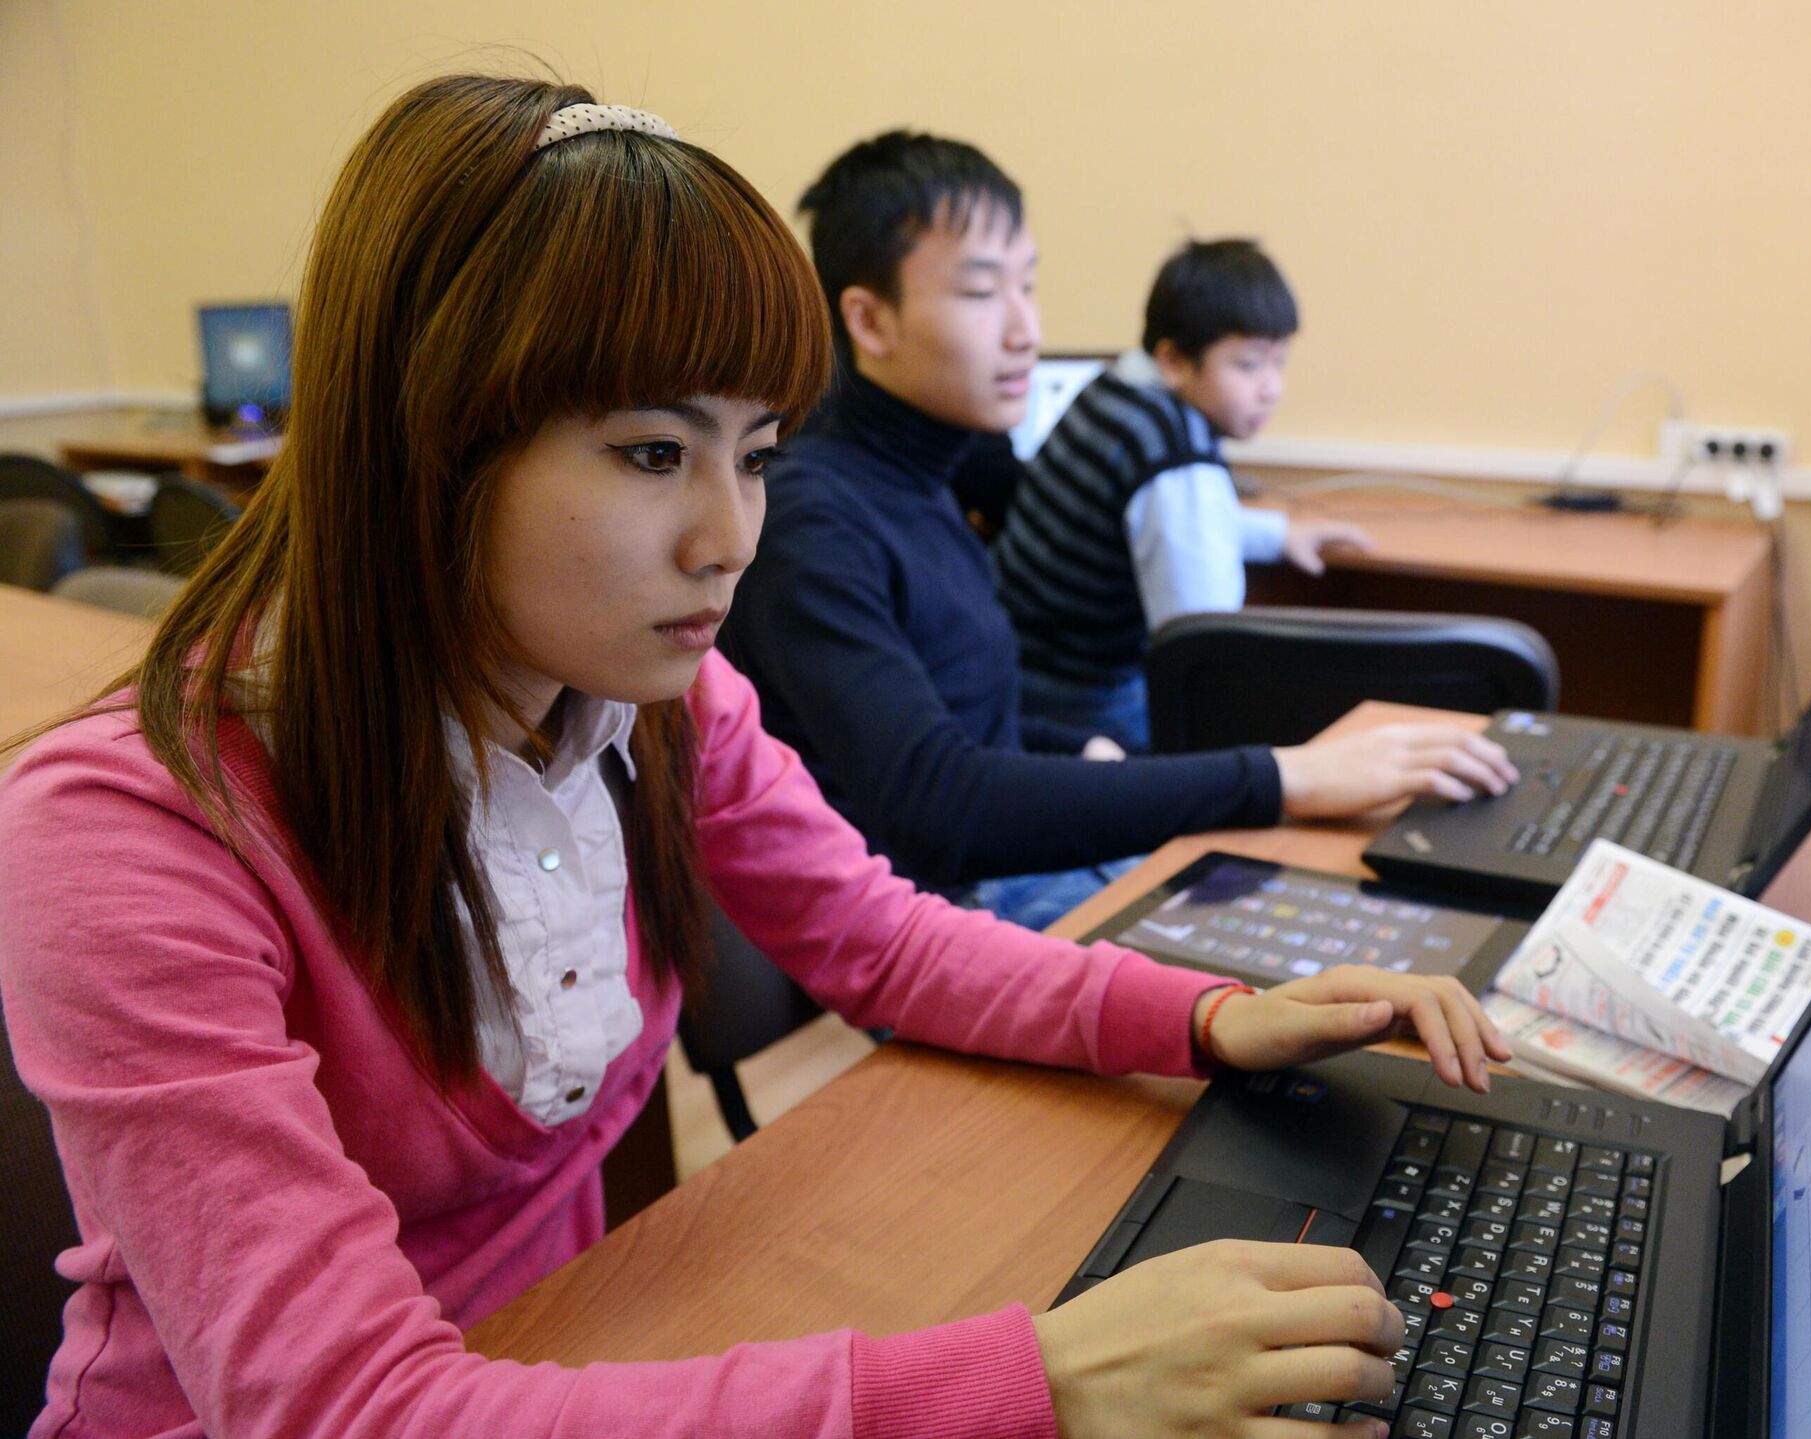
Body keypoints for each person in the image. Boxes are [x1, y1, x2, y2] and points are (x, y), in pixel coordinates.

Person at [0, 75, 1514, 1439]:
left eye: (760, 454)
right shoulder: (128, 831)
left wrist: (1208, 1016)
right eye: (655, 452)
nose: (731, 536)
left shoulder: (655, 698)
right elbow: (344, 1405)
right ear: (424, 437)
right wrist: (1035, 1383)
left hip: (577, 1352)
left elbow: (880, 937)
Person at [724, 132, 1515, 928]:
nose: (1025, 330)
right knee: (1344, 925)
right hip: (937, 918)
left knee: (1372, 905)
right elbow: (935, 802)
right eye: (982, 292)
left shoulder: (924, 470)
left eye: (1028, 285)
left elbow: (959, 713)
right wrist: (1288, 776)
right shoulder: (812, 518)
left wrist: (1073, 748)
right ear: (869, 320)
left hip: (991, 878)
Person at [996, 238, 1375, 751]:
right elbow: (1202, 646)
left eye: (1279, 362)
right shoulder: (1177, 460)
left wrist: (1279, 535)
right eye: (1249, 365)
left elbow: (1159, 524)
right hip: (1084, 703)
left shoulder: (1115, 391)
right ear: (1174, 360)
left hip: (1014, 667)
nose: (1272, 388)